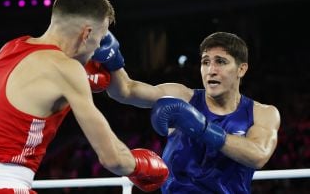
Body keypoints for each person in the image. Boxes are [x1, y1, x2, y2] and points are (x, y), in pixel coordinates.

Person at [0, 0, 169, 193]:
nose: (96, 52)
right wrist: (142, 166)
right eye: (100, 39)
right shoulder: (66, 69)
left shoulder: (8, 49)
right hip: (6, 188)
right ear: (86, 34)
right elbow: (113, 158)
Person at [86, 31, 281, 193]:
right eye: (206, 62)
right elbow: (126, 91)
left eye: (221, 62)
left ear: (241, 69)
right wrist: (112, 60)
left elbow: (258, 155)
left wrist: (200, 127)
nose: (211, 70)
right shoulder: (181, 96)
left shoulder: (263, 113)